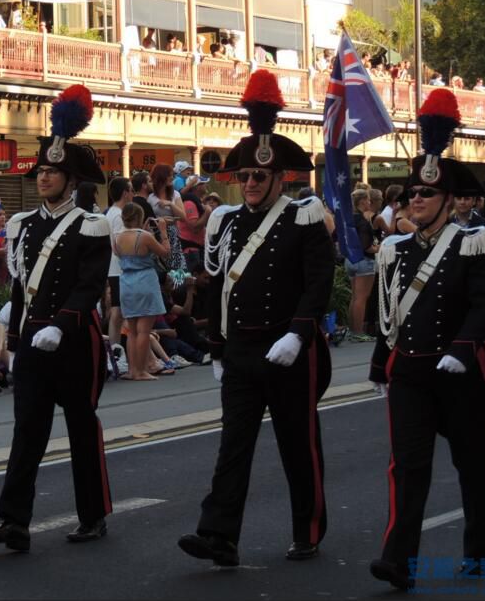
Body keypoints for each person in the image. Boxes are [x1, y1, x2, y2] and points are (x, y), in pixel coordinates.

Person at [178, 69, 334, 567]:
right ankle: (218, 535)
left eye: (258, 177)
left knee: (298, 445)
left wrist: (299, 334)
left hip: (288, 350)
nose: (248, 183)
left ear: (279, 178)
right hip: (243, 351)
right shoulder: (227, 222)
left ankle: (307, 530)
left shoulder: (302, 217)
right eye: (243, 176)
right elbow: (220, 289)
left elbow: (317, 285)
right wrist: (218, 349)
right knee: (233, 446)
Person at [369, 89, 485, 591]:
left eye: (426, 194)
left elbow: (484, 303)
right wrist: (380, 363)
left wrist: (463, 350)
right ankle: (398, 560)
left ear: (448, 200)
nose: (416, 200)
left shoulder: (471, 242)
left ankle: (477, 554)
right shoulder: (396, 250)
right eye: (411, 194)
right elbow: (389, 316)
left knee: (472, 466)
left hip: (460, 372)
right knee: (408, 466)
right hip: (411, 372)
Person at [0, 85, 113, 551]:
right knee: (27, 432)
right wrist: (14, 342)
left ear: (71, 180)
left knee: (81, 428)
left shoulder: (91, 224)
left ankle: (93, 514)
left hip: (74, 341)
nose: (44, 177)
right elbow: (19, 287)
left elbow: (90, 285)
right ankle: (13, 521)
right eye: (41, 171)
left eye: (53, 172)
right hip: (33, 340)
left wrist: (62, 323)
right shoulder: (23, 225)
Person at [115, 202, 170, 381]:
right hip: (144, 280)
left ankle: (133, 369)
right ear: (139, 217)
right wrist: (163, 231)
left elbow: (121, 255)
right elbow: (165, 252)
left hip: (126, 282)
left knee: (132, 330)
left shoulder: (117, 237)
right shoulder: (145, 236)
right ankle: (141, 370)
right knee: (144, 330)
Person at [345, 189, 379, 341]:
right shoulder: (363, 222)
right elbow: (366, 246)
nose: (369, 202)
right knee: (362, 298)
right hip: (364, 261)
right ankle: (358, 333)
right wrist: (380, 248)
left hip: (350, 260)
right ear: (363, 201)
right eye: (368, 200)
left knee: (355, 297)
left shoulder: (350, 219)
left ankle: (353, 330)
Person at [106, 177, 134, 352]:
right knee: (118, 311)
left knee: (118, 310)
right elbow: (117, 244)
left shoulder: (113, 212)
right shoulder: (117, 215)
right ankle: (115, 349)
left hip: (115, 268)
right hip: (118, 268)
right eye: (131, 190)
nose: (133, 194)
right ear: (125, 193)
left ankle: (115, 349)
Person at [149, 163, 187, 271]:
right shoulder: (150, 197)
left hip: (173, 235)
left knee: (177, 269)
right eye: (170, 175)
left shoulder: (175, 194)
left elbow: (183, 217)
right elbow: (148, 219)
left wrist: (170, 204)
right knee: (160, 267)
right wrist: (160, 221)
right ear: (162, 176)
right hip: (156, 235)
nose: (172, 178)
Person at [178, 175, 211, 270]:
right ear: (197, 187)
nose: (206, 185)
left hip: (196, 249)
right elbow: (194, 228)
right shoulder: (189, 203)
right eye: (204, 183)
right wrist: (207, 212)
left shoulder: (196, 201)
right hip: (191, 251)